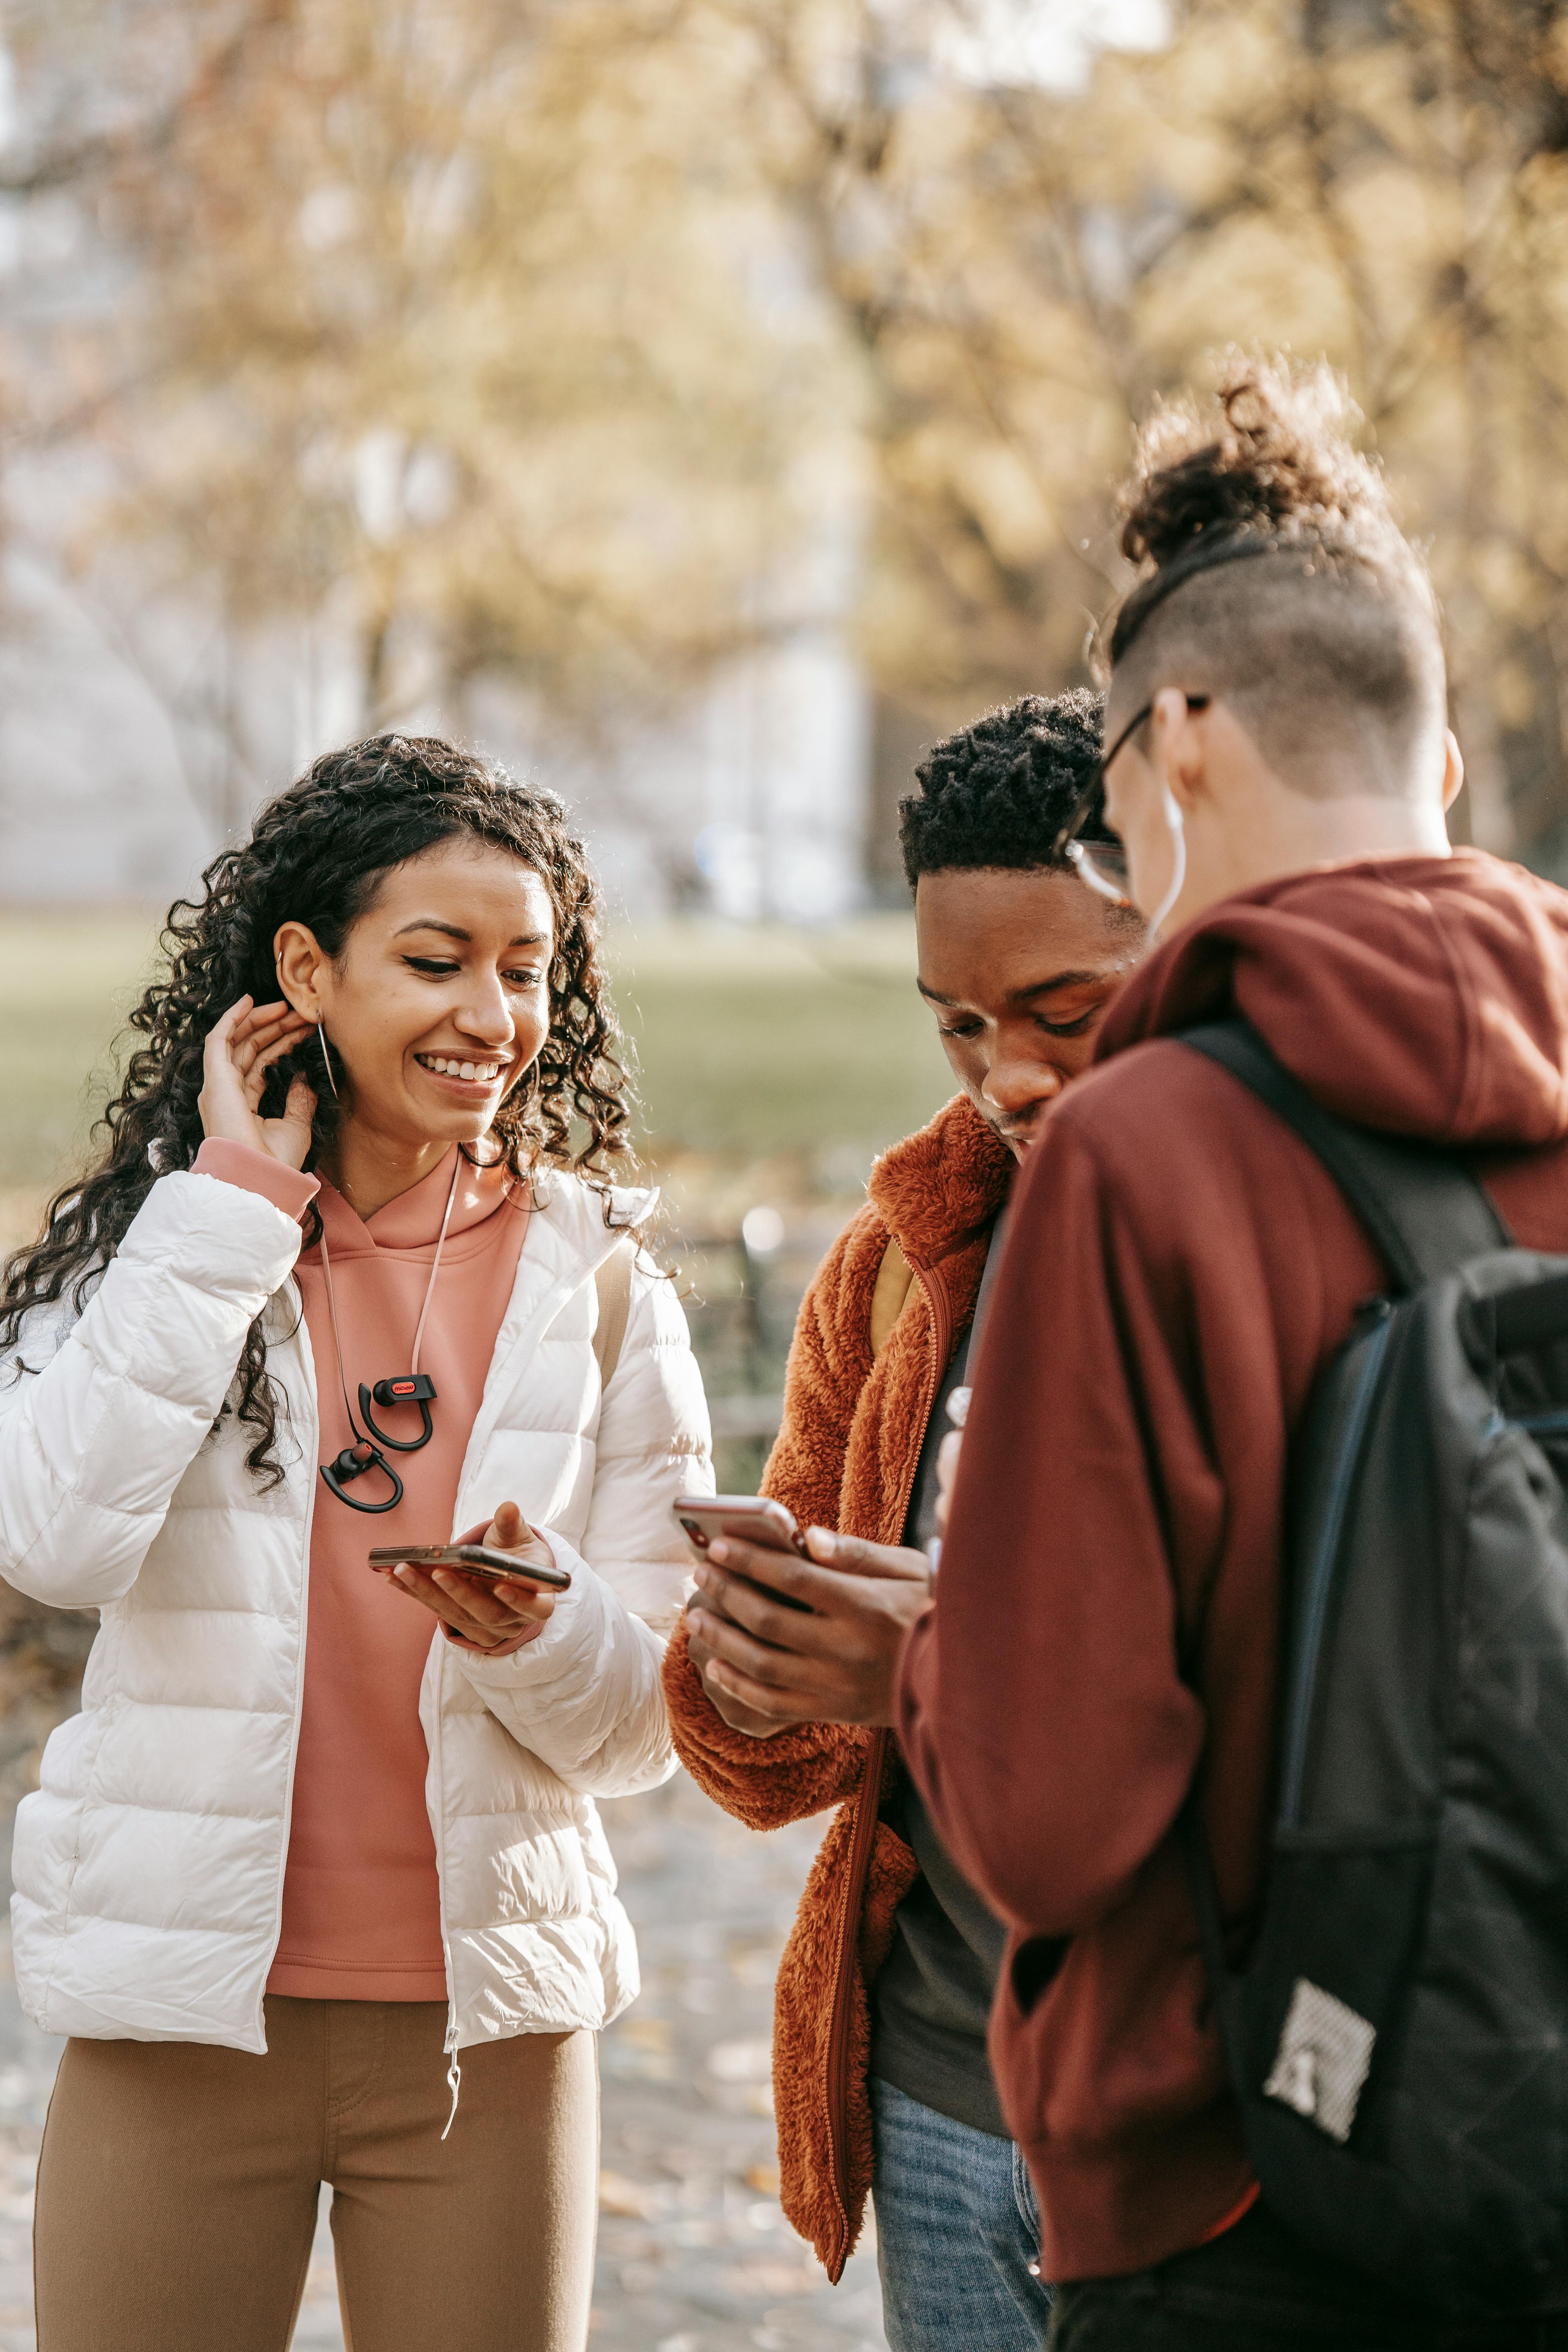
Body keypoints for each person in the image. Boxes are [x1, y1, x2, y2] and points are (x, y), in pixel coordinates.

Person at [895, 359, 1568, 2347]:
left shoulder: (1148, 1147)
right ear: (1432, 765)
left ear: (1177, 740)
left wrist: (927, 1657)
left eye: (1111, 796)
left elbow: (1052, 1807)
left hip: (1240, 2192)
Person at [0, 733, 712, 2352]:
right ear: (306, 971)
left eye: (527, 969)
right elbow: (49, 1536)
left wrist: (543, 1626)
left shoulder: (602, 1289)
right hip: (180, 2018)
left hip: (488, 2044)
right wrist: (234, 1201)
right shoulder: (163, 1249)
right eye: (437, 960)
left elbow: (647, 1728)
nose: (492, 1016)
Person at [664, 693, 1143, 2351]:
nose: (1004, 1073)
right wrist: (751, 1657)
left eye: (1062, 1009)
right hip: (940, 2089)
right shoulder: (899, 1261)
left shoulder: (1291, 1235)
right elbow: (784, 1770)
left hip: (1192, 2099)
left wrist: (940, 1657)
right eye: (954, 1023)